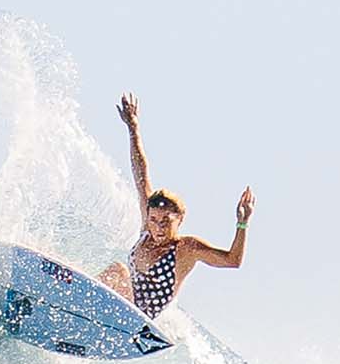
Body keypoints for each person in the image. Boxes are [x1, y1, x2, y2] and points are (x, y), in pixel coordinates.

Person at [99, 93, 254, 319]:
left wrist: (242, 223)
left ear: (179, 219)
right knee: (114, 271)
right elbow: (140, 173)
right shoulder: (147, 231)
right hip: (119, 306)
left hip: (137, 319)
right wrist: (133, 128)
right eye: (153, 220)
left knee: (118, 271)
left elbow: (232, 261)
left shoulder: (185, 249)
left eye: (165, 221)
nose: (158, 227)